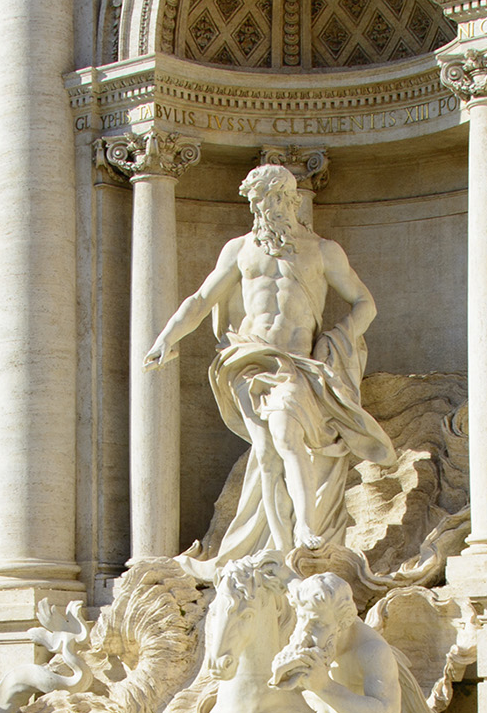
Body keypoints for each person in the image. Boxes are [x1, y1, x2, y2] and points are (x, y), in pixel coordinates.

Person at [146, 162, 396, 569]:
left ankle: (305, 529)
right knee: (265, 453)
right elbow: (200, 300)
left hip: (296, 363)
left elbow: (364, 302)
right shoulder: (240, 249)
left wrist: (340, 337)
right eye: (258, 201)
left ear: (292, 200)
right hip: (248, 359)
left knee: (285, 434)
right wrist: (166, 339)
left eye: (274, 199)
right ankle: (280, 547)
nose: (266, 208)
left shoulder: (322, 250)